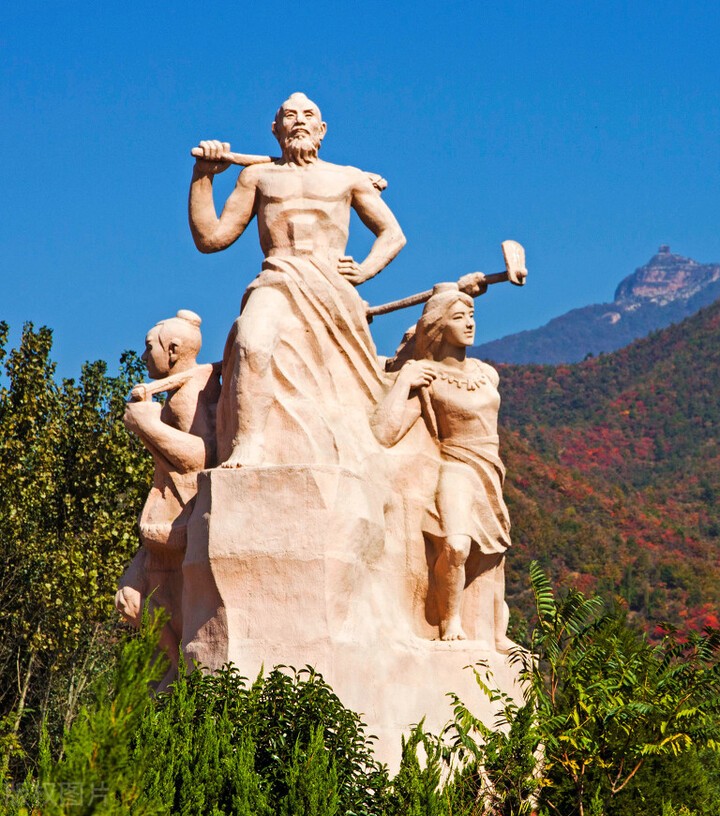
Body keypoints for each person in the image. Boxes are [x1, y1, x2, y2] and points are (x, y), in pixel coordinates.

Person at [189, 92, 406, 467]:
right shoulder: (257, 176)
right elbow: (211, 238)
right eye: (290, 115)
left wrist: (365, 270)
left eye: (309, 115)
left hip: (333, 287)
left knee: (343, 385)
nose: (300, 120)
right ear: (276, 129)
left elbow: (393, 234)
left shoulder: (348, 178)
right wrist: (203, 177)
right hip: (278, 278)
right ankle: (249, 443)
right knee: (251, 342)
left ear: (322, 130)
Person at [371, 285, 514, 648]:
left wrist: (461, 288)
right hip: (455, 467)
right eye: (458, 317)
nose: (469, 324)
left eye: (472, 315)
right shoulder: (427, 377)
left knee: (493, 554)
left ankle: (495, 632)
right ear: (438, 325)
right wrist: (403, 380)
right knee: (455, 545)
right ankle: (448, 621)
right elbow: (384, 433)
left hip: (490, 470)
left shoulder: (487, 373)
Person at [118, 310, 220, 688]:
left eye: (150, 348)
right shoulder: (179, 389)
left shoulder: (187, 394)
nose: (144, 357)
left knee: (134, 601)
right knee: (128, 601)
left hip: (180, 520)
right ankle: (174, 668)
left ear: (173, 350)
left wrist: (146, 424)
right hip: (163, 525)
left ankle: (178, 673)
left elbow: (200, 455)